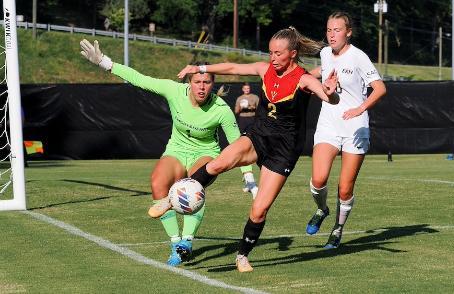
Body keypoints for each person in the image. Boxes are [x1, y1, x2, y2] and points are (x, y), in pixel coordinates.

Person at [79, 39, 258, 266]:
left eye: (206, 82)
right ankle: (176, 245)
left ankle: (188, 241)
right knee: (157, 184)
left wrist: (248, 176)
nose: (201, 86)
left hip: (206, 152)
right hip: (176, 149)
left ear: (213, 84)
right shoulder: (174, 91)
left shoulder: (221, 109)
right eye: (197, 82)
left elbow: (237, 145)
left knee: (193, 185)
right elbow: (140, 79)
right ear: (188, 81)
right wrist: (105, 63)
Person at [176, 27, 339, 272]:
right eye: (270, 52)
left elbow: (329, 99)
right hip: (259, 135)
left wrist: (330, 92)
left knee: (259, 209)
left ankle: (242, 255)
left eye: (278, 53)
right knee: (220, 162)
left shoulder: (304, 79)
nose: (272, 58)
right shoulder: (266, 69)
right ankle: (173, 198)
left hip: (284, 149)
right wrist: (198, 69)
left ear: (292, 54)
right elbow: (232, 68)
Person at [305, 12, 386, 249]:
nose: (331, 35)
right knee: (318, 179)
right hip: (329, 123)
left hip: (355, 128)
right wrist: (304, 79)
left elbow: (380, 88)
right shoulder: (324, 53)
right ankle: (322, 209)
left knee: (345, 187)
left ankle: (338, 229)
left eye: (337, 30)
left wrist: (361, 108)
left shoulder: (359, 57)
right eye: (329, 30)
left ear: (348, 32)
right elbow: (323, 71)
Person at [234, 82, 259, 196]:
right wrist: (241, 107)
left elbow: (260, 110)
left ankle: (249, 181)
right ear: (243, 89)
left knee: (254, 144)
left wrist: (252, 107)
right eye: (245, 88)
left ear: (250, 89)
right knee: (242, 145)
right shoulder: (239, 98)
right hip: (243, 120)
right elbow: (236, 111)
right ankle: (248, 183)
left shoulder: (255, 97)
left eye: (248, 88)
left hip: (252, 119)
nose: (246, 90)